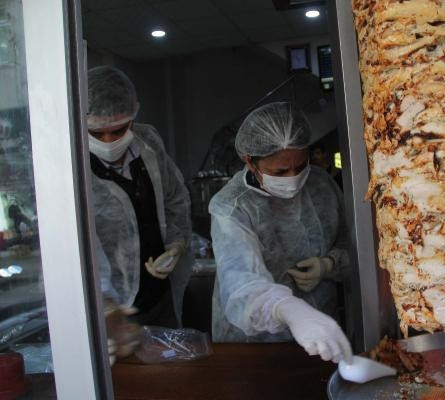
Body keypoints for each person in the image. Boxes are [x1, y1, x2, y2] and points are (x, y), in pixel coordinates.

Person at [209, 102, 352, 363]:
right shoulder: (231, 207)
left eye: (301, 165)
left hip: (320, 335)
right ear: (249, 161)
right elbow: (241, 283)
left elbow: (353, 243)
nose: (293, 178)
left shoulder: (321, 184)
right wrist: (287, 308)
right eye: (280, 171)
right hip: (254, 345)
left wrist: (329, 264)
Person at [87, 66, 192, 341]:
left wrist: (176, 243)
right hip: (112, 310)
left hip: (159, 296)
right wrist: (104, 303)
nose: (109, 141)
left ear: (133, 115)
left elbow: (175, 198)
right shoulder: (71, 165)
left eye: (118, 130)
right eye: (97, 133)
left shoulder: (149, 143)